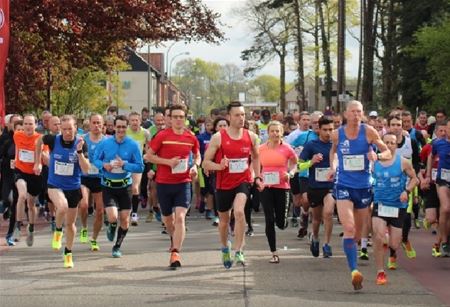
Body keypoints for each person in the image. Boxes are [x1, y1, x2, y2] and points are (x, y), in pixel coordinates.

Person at [327, 100, 391, 291]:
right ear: (346, 114)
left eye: (359, 111)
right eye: (353, 111)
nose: (356, 115)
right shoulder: (336, 134)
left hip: (363, 186)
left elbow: (387, 151)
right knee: (348, 226)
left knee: (357, 233)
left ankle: (353, 255)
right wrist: (333, 167)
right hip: (344, 184)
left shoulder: (369, 131)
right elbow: (333, 153)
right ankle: (354, 271)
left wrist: (377, 156)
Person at [203, 101, 262, 268]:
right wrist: (219, 166)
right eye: (237, 115)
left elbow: (256, 157)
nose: (241, 118)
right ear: (229, 117)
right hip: (223, 184)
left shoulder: (251, 136)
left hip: (243, 181)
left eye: (243, 114)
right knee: (224, 220)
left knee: (239, 212)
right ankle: (224, 248)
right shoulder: (218, 137)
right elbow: (205, 163)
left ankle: (239, 250)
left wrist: (256, 176)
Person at [145, 104, 200, 269]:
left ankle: (175, 253)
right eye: (175, 117)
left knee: (181, 218)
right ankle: (173, 238)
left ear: (185, 118)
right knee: (169, 221)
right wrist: (168, 162)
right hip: (163, 183)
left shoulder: (191, 137)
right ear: (170, 118)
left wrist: (195, 166)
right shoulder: (162, 136)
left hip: (183, 183)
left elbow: (197, 155)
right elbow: (148, 156)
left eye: (181, 117)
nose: (178, 120)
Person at [34, 115, 90, 268]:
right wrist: (37, 161)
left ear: (75, 128)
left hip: (73, 187)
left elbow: (86, 170)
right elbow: (39, 141)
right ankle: (57, 231)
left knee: (71, 225)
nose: (66, 132)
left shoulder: (81, 144)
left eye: (69, 129)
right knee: (62, 206)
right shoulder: (53, 140)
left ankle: (68, 253)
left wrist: (79, 153)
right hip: (54, 185)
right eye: (63, 129)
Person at [93, 115, 144, 258]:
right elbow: (95, 159)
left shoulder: (133, 145)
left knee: (125, 220)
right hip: (108, 186)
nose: (121, 129)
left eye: (123, 127)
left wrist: (125, 165)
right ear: (113, 127)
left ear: (126, 128)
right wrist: (104, 165)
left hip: (125, 186)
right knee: (113, 216)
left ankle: (117, 246)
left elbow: (140, 167)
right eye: (118, 126)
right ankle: (111, 226)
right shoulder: (105, 143)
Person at [371, 133, 418, 285]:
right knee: (378, 236)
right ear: (381, 144)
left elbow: (415, 179)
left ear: (396, 145)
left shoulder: (403, 162)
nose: (390, 145)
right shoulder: (374, 161)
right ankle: (380, 271)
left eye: (392, 142)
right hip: (380, 204)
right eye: (387, 142)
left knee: (394, 244)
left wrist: (407, 191)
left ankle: (393, 250)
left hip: (398, 206)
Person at [258, 121, 297, 263]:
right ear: (268, 133)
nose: (275, 134)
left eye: (277, 131)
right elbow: (254, 164)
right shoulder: (261, 149)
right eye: (272, 131)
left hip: (282, 187)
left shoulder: (287, 148)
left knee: (281, 223)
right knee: (269, 219)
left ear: (282, 133)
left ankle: (283, 222)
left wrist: (290, 173)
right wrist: (256, 178)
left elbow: (294, 163)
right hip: (266, 187)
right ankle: (273, 252)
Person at [299, 116, 335, 258]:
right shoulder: (311, 145)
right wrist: (311, 162)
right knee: (316, 219)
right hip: (315, 186)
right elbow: (298, 165)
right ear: (318, 130)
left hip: (331, 187)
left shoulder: (337, 144)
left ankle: (327, 244)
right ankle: (315, 237)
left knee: (329, 212)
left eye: (331, 129)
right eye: (325, 130)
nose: (328, 133)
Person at [13, 114, 43, 247]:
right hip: (20, 171)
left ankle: (31, 228)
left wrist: (40, 164)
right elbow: (17, 150)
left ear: (35, 125)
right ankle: (18, 226)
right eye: (26, 124)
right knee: (22, 195)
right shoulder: (17, 135)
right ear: (22, 125)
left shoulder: (40, 139)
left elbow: (44, 155)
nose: (28, 126)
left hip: (35, 175)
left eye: (31, 124)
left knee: (31, 204)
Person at [78, 114, 106, 251]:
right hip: (84, 176)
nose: (96, 125)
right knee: (83, 205)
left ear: (103, 124)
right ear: (89, 125)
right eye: (94, 123)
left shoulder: (107, 141)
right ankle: (83, 227)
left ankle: (94, 239)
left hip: (100, 178)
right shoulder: (82, 140)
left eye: (99, 123)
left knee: (100, 211)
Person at [426, 119, 450, 257]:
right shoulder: (438, 143)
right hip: (442, 180)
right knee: (445, 208)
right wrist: (428, 174)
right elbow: (430, 156)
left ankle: (444, 240)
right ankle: (445, 241)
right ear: (446, 130)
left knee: (448, 212)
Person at [127, 112, 151, 226]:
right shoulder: (125, 132)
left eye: (136, 120)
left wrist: (147, 155)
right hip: (125, 164)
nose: (134, 122)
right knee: (126, 189)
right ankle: (126, 210)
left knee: (135, 188)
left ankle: (134, 214)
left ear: (140, 121)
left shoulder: (145, 133)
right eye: (132, 120)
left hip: (137, 164)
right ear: (129, 121)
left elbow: (149, 147)